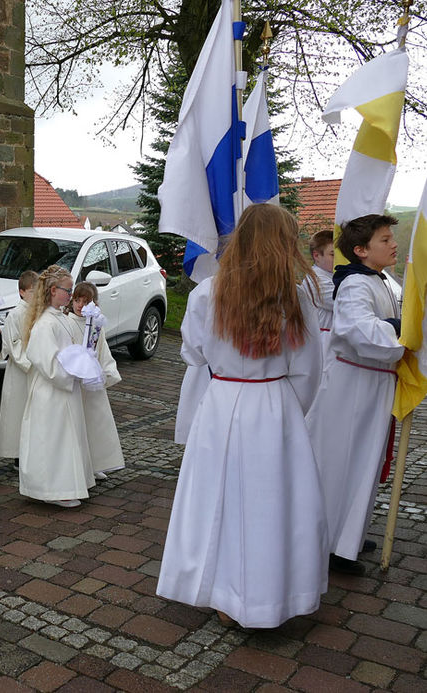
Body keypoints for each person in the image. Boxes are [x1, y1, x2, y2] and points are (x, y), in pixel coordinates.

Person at [157, 203, 328, 629]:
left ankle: (221, 594)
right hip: (275, 405)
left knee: (217, 500)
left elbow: (193, 353)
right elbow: (309, 370)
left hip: (221, 403)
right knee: (269, 506)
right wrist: (291, 415)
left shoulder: (206, 294)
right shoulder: (297, 298)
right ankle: (269, 597)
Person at [305, 214, 403, 576]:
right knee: (341, 462)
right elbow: (358, 331)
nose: (393, 244)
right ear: (361, 251)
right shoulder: (354, 285)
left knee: (364, 463)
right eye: (384, 239)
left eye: (391, 237)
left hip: (373, 384)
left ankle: (349, 535)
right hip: (354, 384)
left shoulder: (381, 280)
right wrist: (402, 326)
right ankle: (329, 542)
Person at [19, 265, 93, 508]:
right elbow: (46, 360)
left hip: (66, 388)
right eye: (67, 290)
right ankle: (52, 489)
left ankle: (67, 483)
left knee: (66, 437)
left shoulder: (62, 318)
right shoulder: (44, 324)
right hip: (51, 390)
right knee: (52, 439)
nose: (71, 295)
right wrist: (70, 373)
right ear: (53, 290)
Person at [66, 282, 125, 480]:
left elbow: (102, 350)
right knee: (77, 425)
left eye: (85, 301)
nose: (80, 305)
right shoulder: (67, 323)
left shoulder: (96, 325)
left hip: (93, 386)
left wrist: (105, 372)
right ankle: (79, 465)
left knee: (95, 424)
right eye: (77, 300)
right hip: (75, 382)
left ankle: (96, 463)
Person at [0, 270, 37, 460]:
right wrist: (31, 362)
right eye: (32, 292)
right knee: (18, 410)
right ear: (22, 292)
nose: (35, 296)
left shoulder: (38, 312)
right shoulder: (15, 314)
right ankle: (17, 454)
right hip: (22, 370)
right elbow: (13, 343)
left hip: (37, 368)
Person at [300, 230, 335, 362]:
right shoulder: (315, 280)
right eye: (332, 255)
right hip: (322, 344)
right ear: (316, 256)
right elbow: (345, 302)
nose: (338, 260)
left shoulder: (331, 276)